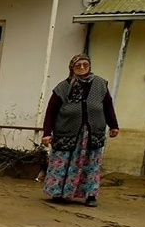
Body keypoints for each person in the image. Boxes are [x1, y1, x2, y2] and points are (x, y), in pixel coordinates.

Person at [41, 53, 119, 208]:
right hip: (67, 131)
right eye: (78, 65)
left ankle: (90, 195)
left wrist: (114, 125)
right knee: (63, 162)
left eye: (85, 64)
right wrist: (47, 133)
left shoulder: (100, 84)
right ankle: (59, 193)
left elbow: (108, 106)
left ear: (89, 66)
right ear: (72, 68)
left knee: (91, 164)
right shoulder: (62, 88)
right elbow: (51, 111)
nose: (82, 67)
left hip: (92, 132)